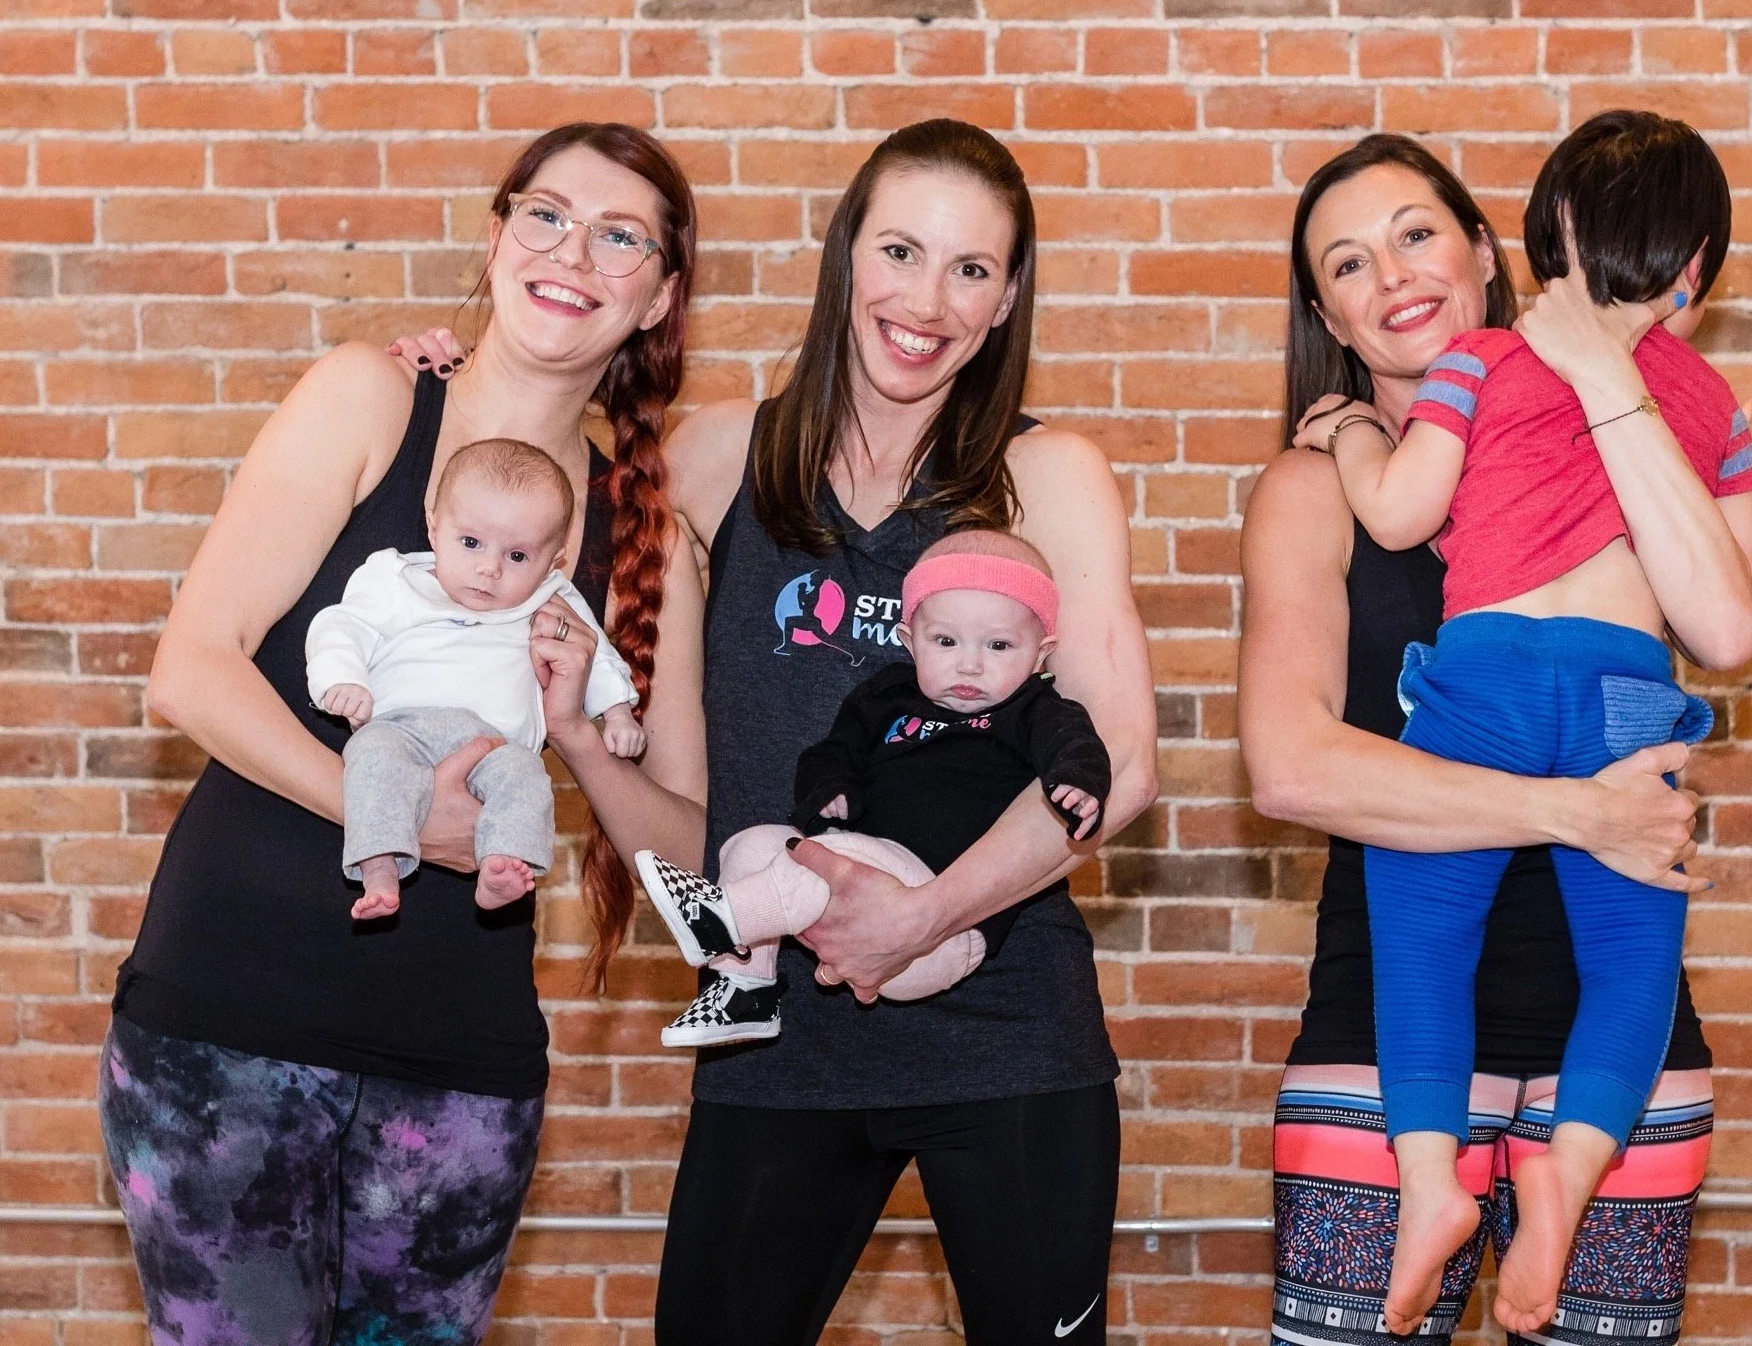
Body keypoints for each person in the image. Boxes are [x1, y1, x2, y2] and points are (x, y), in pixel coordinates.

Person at [406, 117, 1155, 1342]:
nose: (927, 300)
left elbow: (1117, 766)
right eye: (900, 251)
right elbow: (520, 496)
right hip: (776, 1045)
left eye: (971, 268)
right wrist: (443, 377)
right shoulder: (716, 459)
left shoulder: (1049, 475)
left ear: (1009, 296)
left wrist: (924, 914)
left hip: (1007, 1035)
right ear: (847, 252)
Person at [100, 121, 706, 1346]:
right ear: (495, 237)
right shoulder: (369, 395)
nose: (572, 253)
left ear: (658, 297)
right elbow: (191, 669)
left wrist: (583, 738)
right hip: (227, 1024)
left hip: (461, 1066)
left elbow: (686, 845)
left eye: (619, 237)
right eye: (547, 215)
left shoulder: (649, 534)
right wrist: (400, 816)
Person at [1240, 133, 1752, 1346]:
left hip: (1608, 1040)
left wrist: (1614, 385)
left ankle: (1516, 1171)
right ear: (1326, 314)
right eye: (1347, 262)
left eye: (1414, 234)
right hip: (1378, 1041)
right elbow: (1289, 767)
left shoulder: (1581, 396)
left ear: (1494, 251)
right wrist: (1580, 812)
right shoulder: (1312, 486)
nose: (1391, 274)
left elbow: (1732, 611)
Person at [635, 528, 1111, 1045]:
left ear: (1040, 654)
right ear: (910, 641)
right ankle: (744, 989)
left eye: (999, 645)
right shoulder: (886, 698)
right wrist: (831, 789)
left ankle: (721, 919)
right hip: (865, 889)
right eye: (945, 641)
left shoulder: (1035, 710)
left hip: (941, 931)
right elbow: (830, 754)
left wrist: (1079, 783)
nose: (970, 664)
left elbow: (1077, 748)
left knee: (824, 859)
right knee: (752, 844)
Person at [308, 436, 644, 920]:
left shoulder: (549, 599)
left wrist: (617, 712)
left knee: (526, 777)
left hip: (496, 744)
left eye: (517, 556)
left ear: (554, 561)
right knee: (372, 761)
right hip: (399, 728)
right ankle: (378, 865)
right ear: (434, 526)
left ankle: (501, 865)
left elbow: (595, 656)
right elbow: (342, 627)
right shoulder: (396, 580)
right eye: (471, 543)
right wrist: (341, 679)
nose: (489, 569)